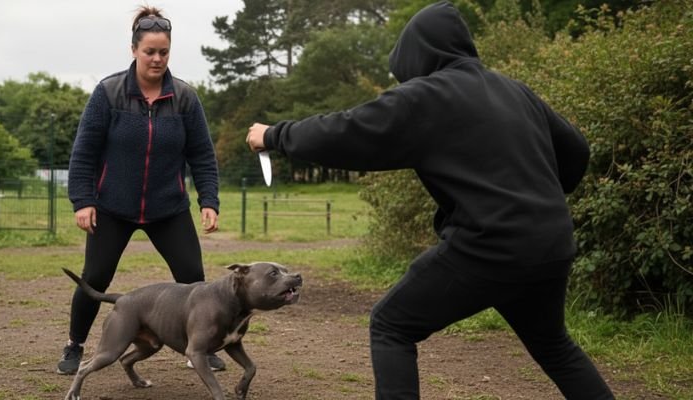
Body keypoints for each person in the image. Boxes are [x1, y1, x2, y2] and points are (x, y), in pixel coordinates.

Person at [246, 1, 614, 399]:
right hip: (550, 240)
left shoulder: (428, 95)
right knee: (554, 345)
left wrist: (273, 135)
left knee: (392, 325)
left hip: (491, 245)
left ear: (416, 54)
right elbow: (577, 151)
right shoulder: (512, 90)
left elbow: (346, 131)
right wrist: (536, 200)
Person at [58, 6, 225, 375]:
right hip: (113, 207)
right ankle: (75, 345)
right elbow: (83, 152)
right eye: (150, 51)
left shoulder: (184, 98)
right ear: (134, 49)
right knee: (96, 277)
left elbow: (202, 156)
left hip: (168, 208)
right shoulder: (109, 93)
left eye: (164, 52)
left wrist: (208, 200)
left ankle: (204, 347)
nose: (157, 59)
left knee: (193, 277)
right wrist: (83, 200)